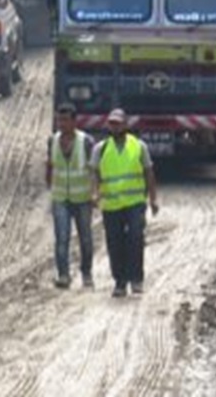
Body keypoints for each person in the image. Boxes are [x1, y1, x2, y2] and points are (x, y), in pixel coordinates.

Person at [92, 107, 158, 298]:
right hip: (112, 205)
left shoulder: (139, 146)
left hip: (135, 202)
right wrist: (95, 194)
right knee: (115, 242)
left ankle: (136, 279)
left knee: (136, 238)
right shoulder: (100, 149)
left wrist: (153, 199)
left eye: (118, 123)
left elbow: (149, 173)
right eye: (111, 123)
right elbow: (95, 174)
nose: (114, 127)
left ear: (126, 124)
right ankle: (120, 281)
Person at [46, 103, 95, 289]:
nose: (62, 124)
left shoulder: (86, 142)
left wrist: (95, 193)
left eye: (66, 120)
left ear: (75, 122)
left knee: (85, 238)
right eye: (59, 120)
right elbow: (50, 165)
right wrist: (49, 187)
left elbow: (94, 170)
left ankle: (87, 273)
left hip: (82, 198)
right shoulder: (52, 141)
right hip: (60, 198)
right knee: (62, 238)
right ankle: (64, 274)